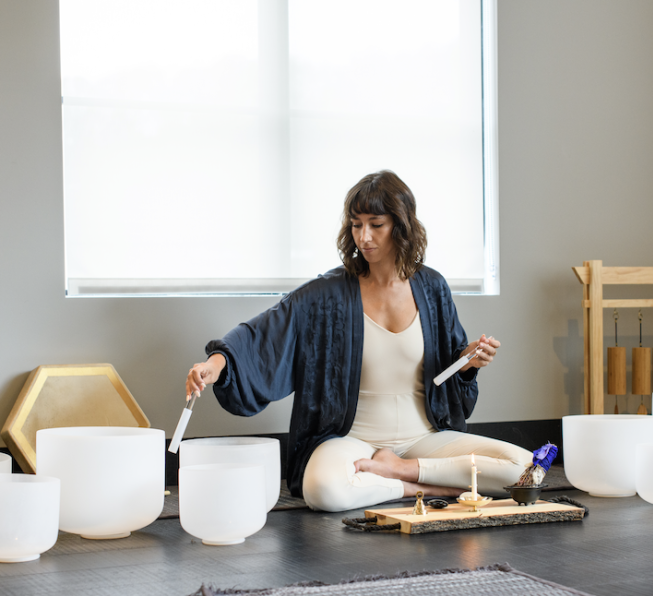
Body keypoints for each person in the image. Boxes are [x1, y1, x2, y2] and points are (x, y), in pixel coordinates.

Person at [186, 170, 530, 512]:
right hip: (352, 441)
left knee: (528, 469)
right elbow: (263, 335)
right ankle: (419, 488)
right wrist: (215, 365)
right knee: (322, 489)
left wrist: (467, 362)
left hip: (425, 438)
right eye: (356, 224)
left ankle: (402, 473)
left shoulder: (432, 288)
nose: (364, 236)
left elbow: (451, 372)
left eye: (375, 224)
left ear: (401, 224)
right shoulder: (326, 294)